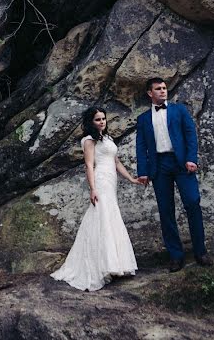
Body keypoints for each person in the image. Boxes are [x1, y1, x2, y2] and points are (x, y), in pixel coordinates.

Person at [51, 106, 142, 291]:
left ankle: (116, 264)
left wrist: (131, 178)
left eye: (103, 119)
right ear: (91, 122)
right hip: (100, 181)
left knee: (110, 217)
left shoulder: (107, 138)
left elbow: (116, 162)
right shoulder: (89, 141)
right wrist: (93, 189)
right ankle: (103, 265)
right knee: (101, 217)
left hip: (111, 181)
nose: (102, 122)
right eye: (98, 119)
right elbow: (89, 165)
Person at [136, 77, 213, 272]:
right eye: (158, 89)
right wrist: (143, 172)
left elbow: (190, 135)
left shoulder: (179, 110)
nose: (163, 91)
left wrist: (191, 159)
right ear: (149, 93)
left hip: (181, 163)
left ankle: (200, 251)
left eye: (164, 88)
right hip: (159, 166)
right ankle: (176, 256)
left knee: (193, 202)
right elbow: (141, 146)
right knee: (166, 211)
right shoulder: (143, 119)